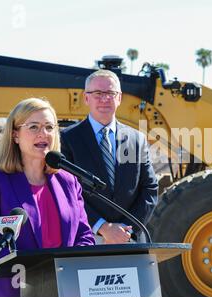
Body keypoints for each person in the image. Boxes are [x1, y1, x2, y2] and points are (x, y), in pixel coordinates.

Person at [0, 98, 96, 297]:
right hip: (8, 292)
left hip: (61, 290)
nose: (43, 133)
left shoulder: (69, 181)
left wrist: (67, 268)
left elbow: (84, 237)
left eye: (49, 127)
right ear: (15, 135)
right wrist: (35, 271)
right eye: (34, 126)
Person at [61, 69, 158, 244]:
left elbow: (149, 188)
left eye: (110, 93)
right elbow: (66, 193)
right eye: (98, 93)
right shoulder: (67, 139)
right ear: (86, 98)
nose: (104, 98)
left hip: (131, 238)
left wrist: (126, 229)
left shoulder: (137, 139)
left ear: (119, 98)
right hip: (87, 237)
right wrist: (103, 228)